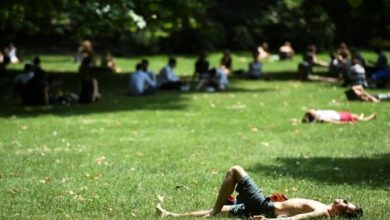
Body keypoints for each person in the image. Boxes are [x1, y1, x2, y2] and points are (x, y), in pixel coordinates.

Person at [156, 165, 363, 219]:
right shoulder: (324, 207)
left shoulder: (323, 212)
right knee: (224, 210)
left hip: (264, 208)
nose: (343, 200)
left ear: (341, 212)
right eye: (346, 200)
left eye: (345, 204)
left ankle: (212, 212)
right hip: (265, 207)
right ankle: (172, 215)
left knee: (235, 170)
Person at [301, 109, 376, 124]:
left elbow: (307, 114)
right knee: (354, 117)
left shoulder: (318, 113)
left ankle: (360, 117)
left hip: (339, 114)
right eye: (312, 111)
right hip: (340, 117)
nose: (313, 110)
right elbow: (333, 122)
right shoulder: (321, 118)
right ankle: (367, 118)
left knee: (353, 115)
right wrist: (345, 123)